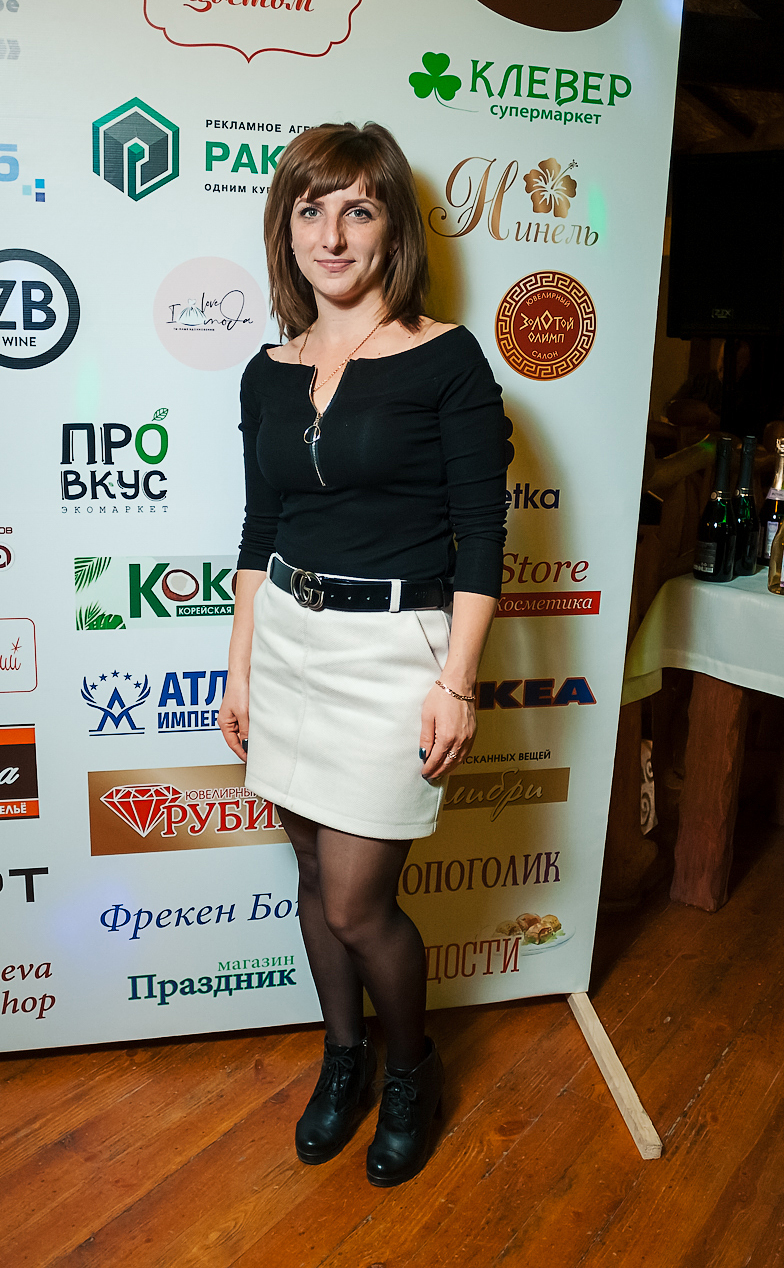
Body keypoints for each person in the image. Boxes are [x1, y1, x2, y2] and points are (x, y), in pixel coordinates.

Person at [215, 122, 509, 1187]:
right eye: (310, 209)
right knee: (309, 873)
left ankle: (411, 1068)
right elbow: (260, 534)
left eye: (358, 209)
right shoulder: (266, 371)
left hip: (394, 650)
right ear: (285, 227)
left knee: (356, 902)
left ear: (393, 229)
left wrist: (455, 682)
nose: (331, 235)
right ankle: (344, 1057)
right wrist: (242, 666)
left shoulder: (447, 359)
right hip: (288, 640)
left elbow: (482, 535)